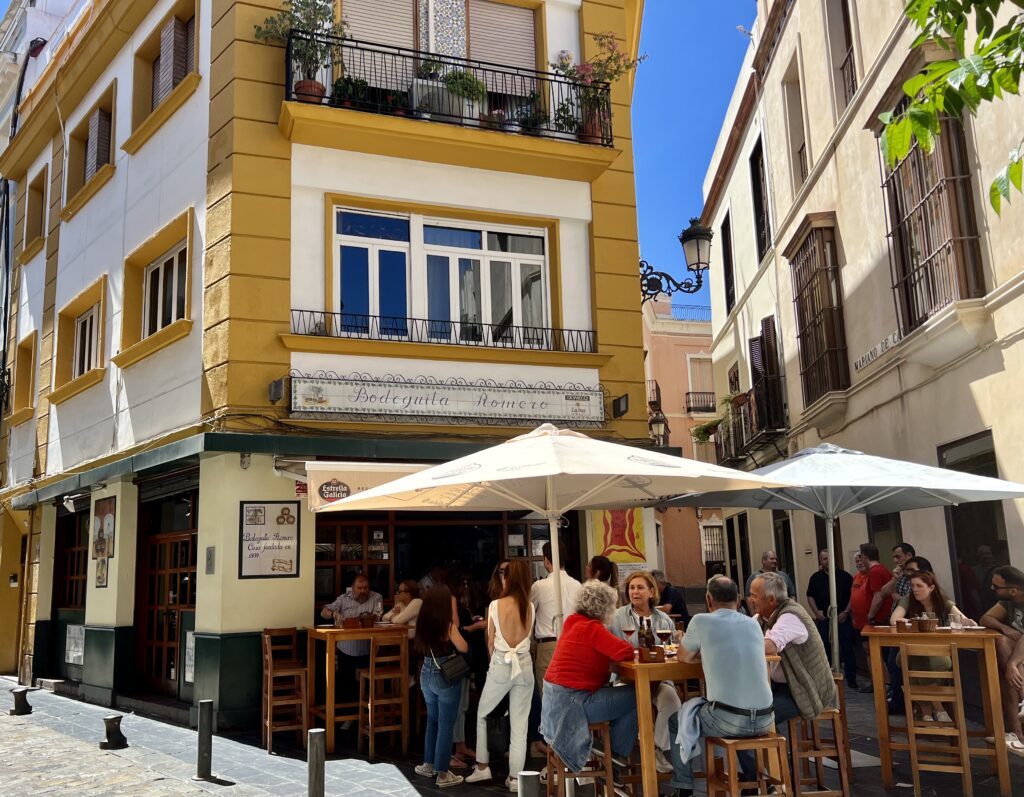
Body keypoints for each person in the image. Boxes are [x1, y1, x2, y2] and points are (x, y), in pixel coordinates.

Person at [667, 576, 774, 797]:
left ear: (708, 599)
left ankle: (683, 788)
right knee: (740, 715)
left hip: (729, 719)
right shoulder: (753, 624)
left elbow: (683, 656)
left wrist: (703, 656)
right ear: (738, 599)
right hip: (766, 718)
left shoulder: (701, 621)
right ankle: (755, 780)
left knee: (676, 721)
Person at [540, 580, 637, 774]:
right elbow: (624, 652)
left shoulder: (571, 622)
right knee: (638, 696)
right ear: (606, 607)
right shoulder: (593, 628)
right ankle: (616, 755)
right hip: (575, 705)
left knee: (628, 699)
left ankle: (609, 750)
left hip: (555, 705)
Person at [465, 560, 535, 791]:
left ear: (508, 578)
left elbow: (490, 641)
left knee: (483, 714)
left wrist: (493, 665)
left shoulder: (495, 605)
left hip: (501, 664)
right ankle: (515, 778)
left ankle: (483, 767)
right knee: (520, 724)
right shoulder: (531, 606)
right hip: (525, 667)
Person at [609, 571, 681, 774]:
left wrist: (678, 641)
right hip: (627, 680)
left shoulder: (664, 620)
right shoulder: (617, 617)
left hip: (658, 679)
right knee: (635, 704)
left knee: (672, 703)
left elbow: (671, 650)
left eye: (640, 588)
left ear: (652, 592)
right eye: (631, 588)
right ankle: (627, 753)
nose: (635, 592)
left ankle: (654, 748)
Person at [749, 571, 837, 726]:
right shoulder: (762, 616)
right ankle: (776, 748)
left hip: (805, 690)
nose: (750, 600)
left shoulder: (791, 616)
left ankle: (775, 749)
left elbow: (769, 646)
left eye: (754, 596)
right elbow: (744, 632)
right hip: (778, 686)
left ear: (771, 600)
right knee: (743, 714)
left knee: (755, 721)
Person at [891, 571, 976, 723]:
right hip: (912, 650)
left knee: (916, 662)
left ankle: (926, 713)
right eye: (912, 586)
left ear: (931, 587)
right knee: (917, 656)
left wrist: (968, 622)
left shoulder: (942, 601)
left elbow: (960, 618)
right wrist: (916, 623)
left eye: (919, 586)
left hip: (938, 654)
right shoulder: (908, 600)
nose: (915, 589)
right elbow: (894, 619)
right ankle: (939, 709)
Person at [414, 586, 470, 788]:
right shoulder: (447, 625)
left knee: (432, 721)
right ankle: (443, 774)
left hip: (426, 672)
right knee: (446, 725)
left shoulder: (423, 622)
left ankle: (428, 765)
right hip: (445, 674)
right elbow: (463, 647)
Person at [320, 574, 384, 717]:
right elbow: (324, 611)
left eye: (365, 587)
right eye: (359, 588)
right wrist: (333, 613)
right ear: (353, 588)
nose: (363, 591)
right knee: (344, 683)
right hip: (347, 649)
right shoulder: (344, 598)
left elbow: (378, 616)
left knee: (367, 684)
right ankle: (346, 716)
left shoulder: (376, 597)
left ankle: (366, 716)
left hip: (368, 648)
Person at [980, 565, 1024, 756]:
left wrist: (1012, 664)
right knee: (1000, 640)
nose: (992, 589)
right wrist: (1004, 628)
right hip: (1019, 656)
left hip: (1020, 655)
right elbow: (985, 618)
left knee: (1010, 673)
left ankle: (1017, 734)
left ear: (1013, 590)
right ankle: (1018, 732)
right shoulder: (1009, 603)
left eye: (996, 587)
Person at [531, 541, 583, 690]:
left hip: (549, 646)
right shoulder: (577, 585)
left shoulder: (539, 586)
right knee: (571, 694)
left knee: (548, 698)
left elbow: (528, 613)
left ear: (546, 560)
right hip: (574, 645)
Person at [805, 549, 858, 688]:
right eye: (824, 559)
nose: (827, 561)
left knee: (847, 649)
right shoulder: (815, 578)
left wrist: (846, 612)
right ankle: (826, 680)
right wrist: (816, 613)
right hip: (824, 619)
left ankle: (851, 679)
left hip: (842, 618)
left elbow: (853, 595)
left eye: (829, 558)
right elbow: (810, 595)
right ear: (820, 561)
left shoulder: (845, 576)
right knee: (824, 649)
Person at [849, 553, 872, 692]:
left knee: (873, 652)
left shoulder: (872, 575)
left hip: (870, 622)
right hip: (858, 622)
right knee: (867, 652)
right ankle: (873, 681)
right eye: (856, 561)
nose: (859, 563)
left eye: (861, 560)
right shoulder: (856, 577)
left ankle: (883, 683)